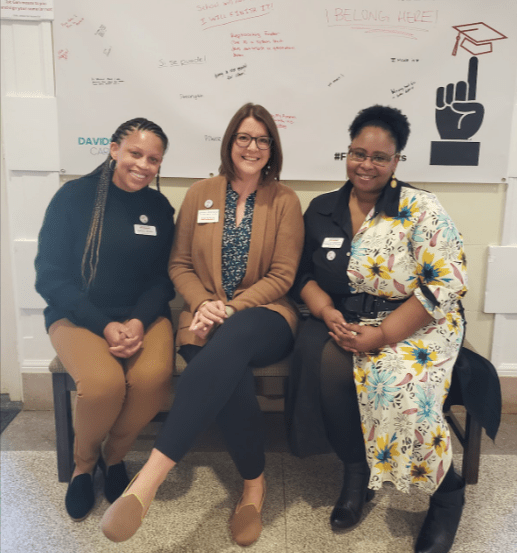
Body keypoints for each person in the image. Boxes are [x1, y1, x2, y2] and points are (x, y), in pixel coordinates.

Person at [101, 103, 304, 545]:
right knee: (232, 384)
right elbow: (179, 264)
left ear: (272, 148)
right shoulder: (200, 194)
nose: (252, 147)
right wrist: (204, 302)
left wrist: (230, 309)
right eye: (243, 138)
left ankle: (148, 481)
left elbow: (283, 276)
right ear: (230, 143)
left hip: (265, 318)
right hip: (202, 317)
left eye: (262, 139)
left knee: (236, 337)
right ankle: (254, 486)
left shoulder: (285, 200)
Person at [285, 105, 468, 553]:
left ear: (396, 161)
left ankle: (447, 496)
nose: (366, 165)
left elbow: (447, 283)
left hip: (419, 323)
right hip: (349, 318)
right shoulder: (322, 208)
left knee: (400, 392)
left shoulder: (419, 207)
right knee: (329, 370)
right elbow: (301, 275)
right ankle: (357, 471)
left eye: (379, 158)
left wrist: (384, 335)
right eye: (357, 153)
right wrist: (326, 310)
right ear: (346, 153)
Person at [35, 118, 175, 521]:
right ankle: (83, 465)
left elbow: (160, 278)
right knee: (102, 386)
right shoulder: (73, 198)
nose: (143, 165)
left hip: (142, 317)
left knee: (151, 381)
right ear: (114, 150)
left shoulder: (158, 207)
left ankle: (114, 459)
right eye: (135, 153)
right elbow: (50, 275)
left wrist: (136, 322)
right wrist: (104, 325)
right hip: (79, 315)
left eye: (154, 159)